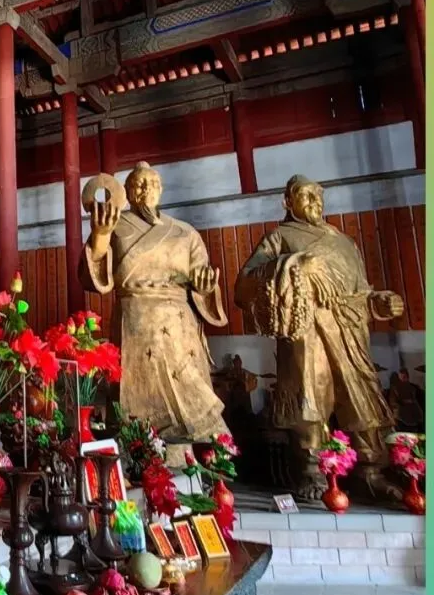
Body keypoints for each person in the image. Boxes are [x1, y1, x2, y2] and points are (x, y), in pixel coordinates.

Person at [234, 174, 402, 497]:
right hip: (306, 330)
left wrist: (378, 302)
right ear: (287, 202)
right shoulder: (280, 237)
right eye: (305, 195)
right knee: (308, 400)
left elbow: (360, 294)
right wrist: (293, 263)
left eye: (317, 195)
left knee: (360, 397)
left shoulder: (344, 242)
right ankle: (311, 470)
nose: (314, 201)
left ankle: (370, 470)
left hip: (347, 330)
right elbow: (244, 286)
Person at [80, 162, 228, 443]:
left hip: (178, 323)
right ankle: (141, 449)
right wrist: (100, 236)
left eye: (153, 184)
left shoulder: (185, 232)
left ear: (161, 190)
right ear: (127, 192)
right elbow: (92, 277)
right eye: (139, 184)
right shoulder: (114, 224)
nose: (146, 189)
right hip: (135, 319)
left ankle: (201, 452)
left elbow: (204, 283)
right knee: (136, 399)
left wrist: (205, 286)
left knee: (190, 393)